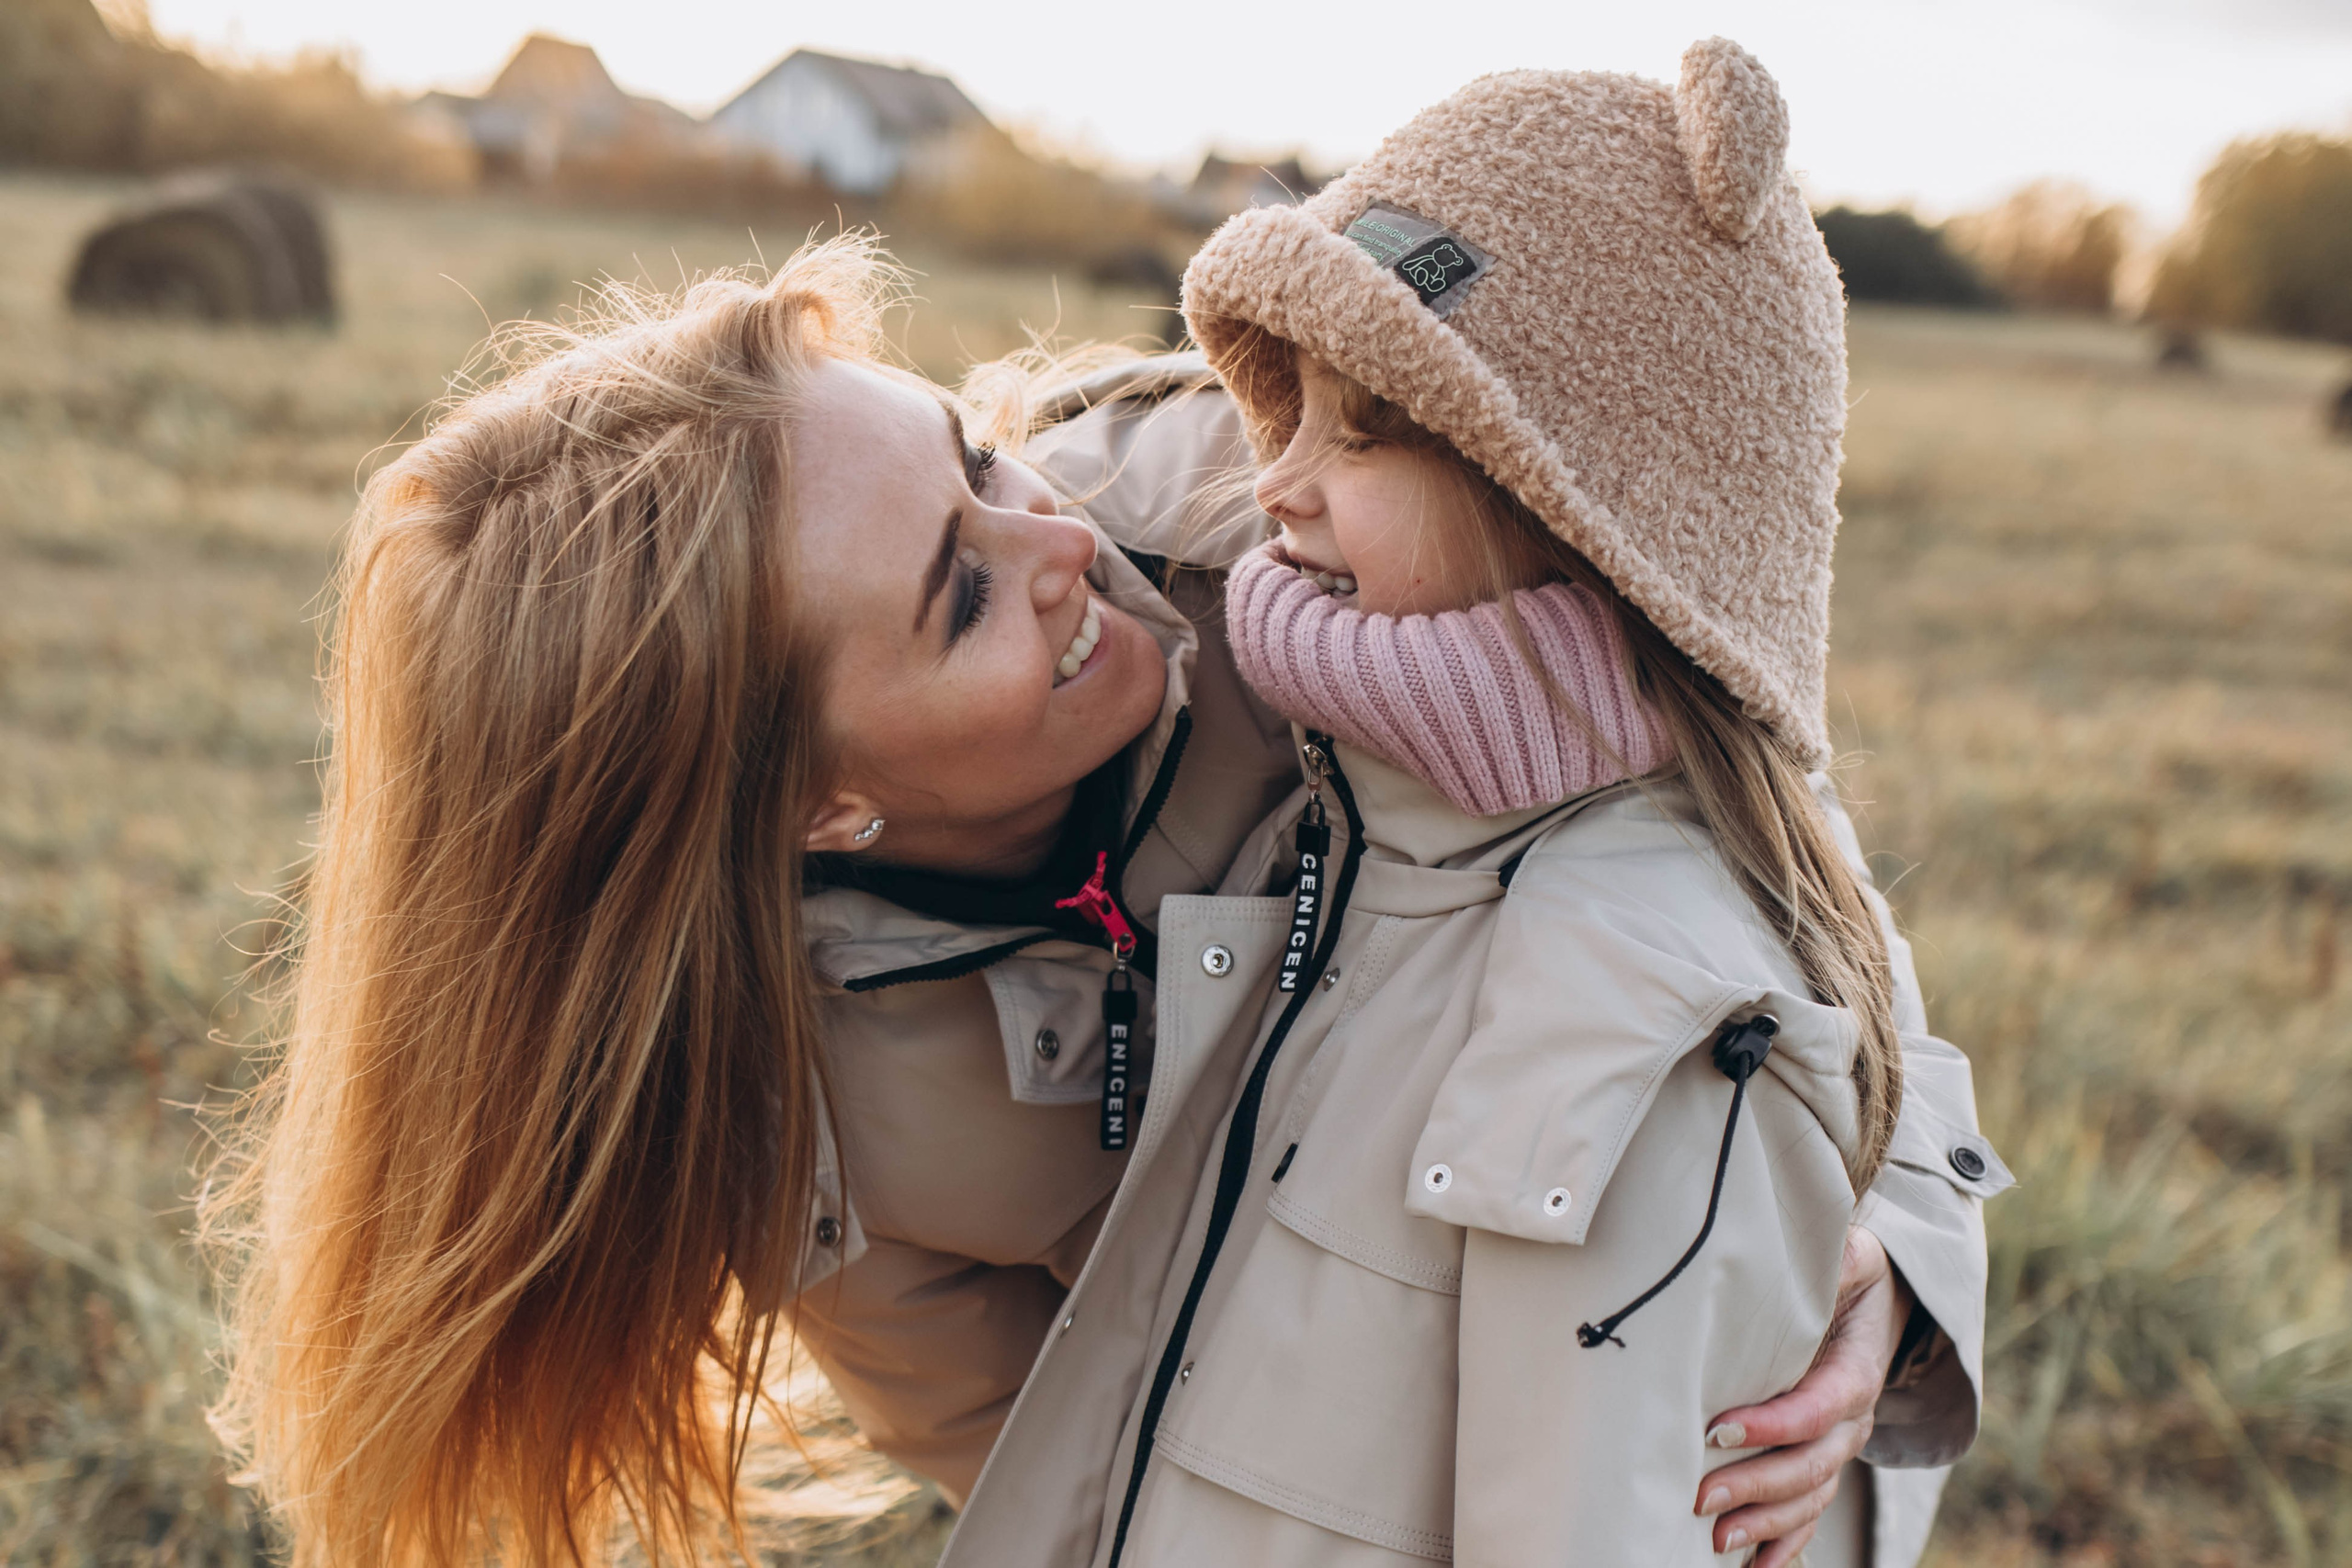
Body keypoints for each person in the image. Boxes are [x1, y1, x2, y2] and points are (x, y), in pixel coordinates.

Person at [204, 216, 1995, 1568]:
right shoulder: (800, 1116)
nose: (1064, 543)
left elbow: (1756, 824)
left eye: (974, 460)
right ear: (811, 802)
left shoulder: (1276, 513)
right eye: (959, 593)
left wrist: (1905, 1235)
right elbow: (1070, 1479)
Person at [940, 40, 2009, 1568]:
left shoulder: (1646, 1019)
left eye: (1368, 430)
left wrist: (1906, 1235)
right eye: (1284, 404)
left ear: (1575, 499)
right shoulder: (1325, 727)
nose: (1281, 485)